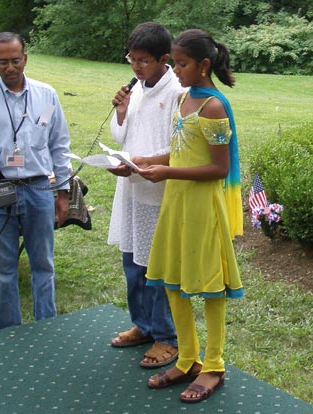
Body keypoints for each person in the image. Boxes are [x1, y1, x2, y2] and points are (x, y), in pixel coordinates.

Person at [136, 29, 244, 403]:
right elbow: (181, 153)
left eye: (181, 64)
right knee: (171, 280)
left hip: (202, 207)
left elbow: (217, 168)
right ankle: (187, 358)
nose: (175, 70)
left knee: (210, 285)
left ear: (204, 65)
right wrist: (146, 161)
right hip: (176, 204)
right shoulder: (183, 98)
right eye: (174, 62)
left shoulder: (213, 106)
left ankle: (213, 364)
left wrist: (167, 173)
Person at [0, 32, 72, 330]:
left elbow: (59, 144)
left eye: (15, 60)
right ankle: (9, 333)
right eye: (3, 62)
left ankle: (45, 327)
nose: (10, 67)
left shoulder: (46, 97)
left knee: (43, 264)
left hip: (38, 188)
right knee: (1, 270)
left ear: (25, 58)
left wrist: (62, 191)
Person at [108, 22, 183, 368]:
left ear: (163, 59)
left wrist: (142, 163)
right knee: (133, 265)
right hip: (132, 190)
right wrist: (121, 112)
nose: (136, 67)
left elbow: (183, 149)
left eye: (143, 60)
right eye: (131, 59)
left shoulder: (178, 91)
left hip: (161, 193)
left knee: (159, 269)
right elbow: (124, 135)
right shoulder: (136, 87)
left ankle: (168, 337)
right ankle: (144, 325)